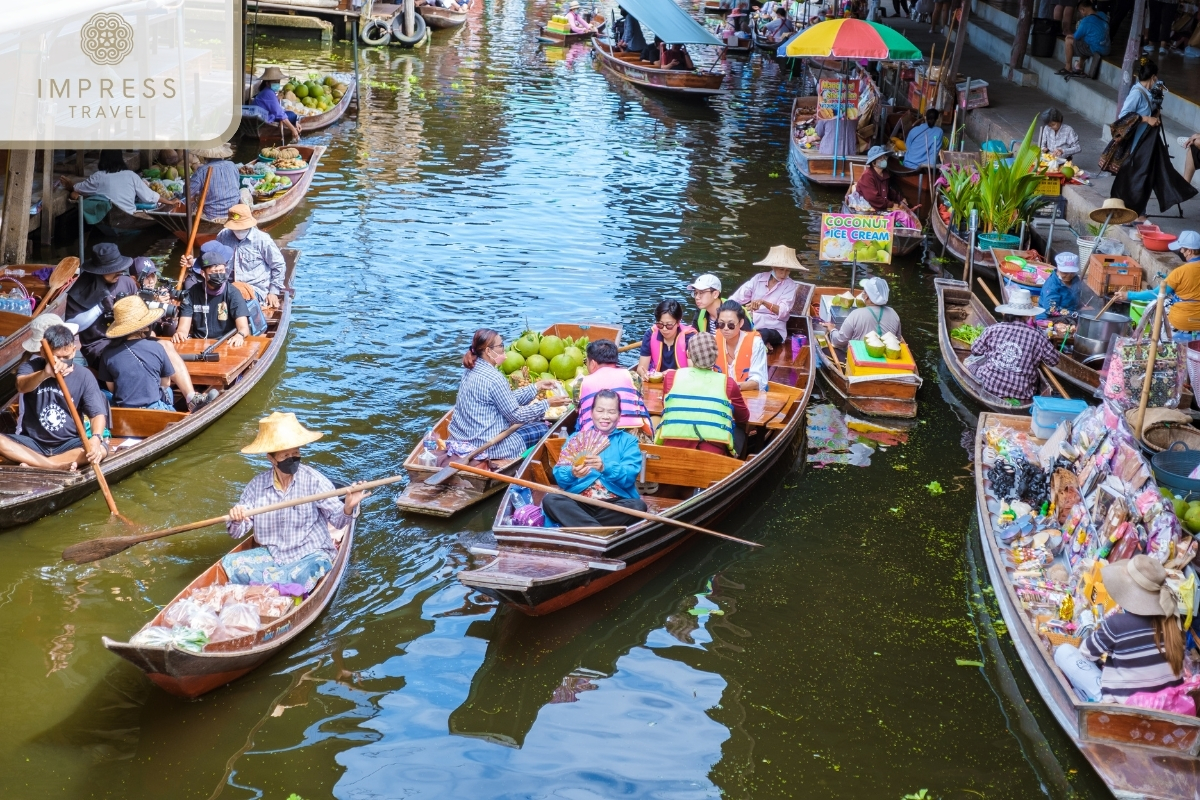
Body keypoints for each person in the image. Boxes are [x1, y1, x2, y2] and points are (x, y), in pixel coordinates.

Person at [225, 412, 368, 593]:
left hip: (309, 553)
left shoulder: (313, 480)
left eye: (296, 453)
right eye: (285, 455)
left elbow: (339, 521)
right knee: (231, 563)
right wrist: (237, 517)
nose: (292, 458)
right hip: (274, 555)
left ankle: (272, 586)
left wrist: (348, 507)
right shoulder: (256, 487)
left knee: (311, 569)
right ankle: (281, 586)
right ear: (271, 458)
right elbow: (237, 532)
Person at [447, 328, 569, 460]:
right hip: (487, 446)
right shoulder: (495, 378)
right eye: (501, 346)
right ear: (488, 351)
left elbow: (505, 400)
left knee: (533, 420)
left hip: (462, 439)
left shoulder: (471, 368)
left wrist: (536, 387)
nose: (504, 349)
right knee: (543, 428)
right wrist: (548, 403)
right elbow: (515, 416)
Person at [0, 322, 108, 471]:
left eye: (67, 356)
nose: (63, 362)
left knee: (101, 450)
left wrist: (96, 438)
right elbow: (21, 386)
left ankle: (39, 464)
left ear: (74, 350)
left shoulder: (84, 375)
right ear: (44, 352)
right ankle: (52, 465)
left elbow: (97, 414)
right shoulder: (31, 367)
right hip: (33, 443)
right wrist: (45, 373)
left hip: (69, 444)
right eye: (57, 357)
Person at [1078, 555, 1185, 703]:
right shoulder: (1175, 625)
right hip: (1165, 704)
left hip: (1126, 707)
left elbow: (1086, 653)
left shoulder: (1117, 624)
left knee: (1064, 652)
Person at [1107, 59, 1197, 223]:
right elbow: (1123, 117)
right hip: (1136, 144)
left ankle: (1139, 212)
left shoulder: (1147, 92)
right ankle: (1133, 211)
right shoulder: (1136, 93)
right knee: (1138, 177)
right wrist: (1147, 118)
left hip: (1146, 143)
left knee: (1147, 176)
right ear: (1153, 77)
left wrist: (1154, 115)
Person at [544, 390, 648, 529]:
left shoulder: (628, 441)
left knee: (638, 506)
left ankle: (583, 528)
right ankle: (599, 530)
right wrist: (572, 473)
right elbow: (559, 475)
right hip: (580, 503)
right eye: (600, 410)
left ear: (619, 416)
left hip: (613, 504)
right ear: (592, 413)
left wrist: (605, 467)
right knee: (551, 500)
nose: (605, 416)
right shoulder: (576, 438)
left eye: (611, 412)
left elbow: (629, 476)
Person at [100, 295, 219, 412]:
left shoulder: (108, 353)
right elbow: (165, 383)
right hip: (155, 409)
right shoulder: (158, 347)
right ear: (144, 327)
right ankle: (190, 402)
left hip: (124, 411)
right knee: (168, 391)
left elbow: (112, 388)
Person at [657, 333, 749, 457]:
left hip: (672, 450)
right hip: (712, 454)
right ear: (716, 357)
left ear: (689, 354)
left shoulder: (671, 377)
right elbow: (743, 417)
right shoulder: (728, 383)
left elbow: (666, 405)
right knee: (741, 429)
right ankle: (737, 463)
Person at [180, 204, 285, 309]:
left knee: (234, 293)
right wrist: (193, 262)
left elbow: (279, 265)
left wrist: (273, 292)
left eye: (242, 228)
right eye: (235, 228)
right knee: (193, 283)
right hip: (224, 284)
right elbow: (214, 258)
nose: (238, 231)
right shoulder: (224, 235)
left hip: (253, 288)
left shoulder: (263, 240)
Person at [966, 287, 1059, 401]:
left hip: (989, 384)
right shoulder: (1038, 336)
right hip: (1022, 392)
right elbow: (1054, 361)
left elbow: (975, 350)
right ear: (1028, 315)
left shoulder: (993, 329)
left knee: (969, 362)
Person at [1116, 230, 1200, 341]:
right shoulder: (1179, 274)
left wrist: (1129, 295)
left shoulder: (1180, 272)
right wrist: (1168, 278)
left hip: (1182, 322)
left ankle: (1162, 343)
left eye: (1182, 248)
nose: (1180, 251)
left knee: (1161, 305)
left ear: (1189, 251)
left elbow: (1156, 294)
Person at [65, 242, 140, 368]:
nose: (119, 272)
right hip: (98, 344)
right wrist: (99, 307)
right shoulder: (80, 291)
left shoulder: (127, 282)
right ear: (98, 271)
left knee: (163, 348)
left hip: (127, 337)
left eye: (120, 267)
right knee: (128, 361)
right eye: (113, 269)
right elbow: (70, 327)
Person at [172, 244, 251, 347]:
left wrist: (239, 335)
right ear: (203, 273)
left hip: (226, 343)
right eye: (214, 272)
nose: (218, 275)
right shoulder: (192, 294)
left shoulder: (233, 293)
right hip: (198, 343)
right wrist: (180, 334)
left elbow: (244, 328)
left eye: (221, 271)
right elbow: (183, 328)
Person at [729, 245, 805, 351]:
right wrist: (737, 309)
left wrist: (764, 303)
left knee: (762, 334)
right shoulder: (758, 278)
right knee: (731, 327)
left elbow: (783, 311)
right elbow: (736, 298)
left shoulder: (790, 285)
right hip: (752, 323)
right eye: (781, 269)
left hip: (774, 328)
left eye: (788, 270)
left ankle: (753, 349)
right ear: (773, 267)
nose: (784, 273)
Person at [576, 339, 650, 433]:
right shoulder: (633, 376)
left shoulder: (581, 382)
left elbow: (577, 407)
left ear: (593, 363)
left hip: (595, 435)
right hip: (632, 432)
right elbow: (639, 396)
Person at [59, 149, 161, 216]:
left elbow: (78, 188)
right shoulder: (131, 175)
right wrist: (170, 202)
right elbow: (149, 197)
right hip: (130, 213)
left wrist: (70, 185)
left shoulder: (98, 177)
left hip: (107, 213)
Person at [828, 277, 902, 349]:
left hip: (860, 359)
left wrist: (832, 329)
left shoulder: (856, 314)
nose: (862, 293)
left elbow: (839, 342)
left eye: (864, 291)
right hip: (888, 359)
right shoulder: (893, 313)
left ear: (866, 296)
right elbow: (897, 340)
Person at [714, 300, 768, 392]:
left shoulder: (755, 343)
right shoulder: (713, 341)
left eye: (731, 325)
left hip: (749, 396)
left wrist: (734, 388)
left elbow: (759, 380)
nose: (725, 328)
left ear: (741, 323)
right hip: (720, 396)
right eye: (721, 324)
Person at [637, 299, 697, 378]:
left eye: (669, 325)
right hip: (657, 384)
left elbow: (693, 371)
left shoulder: (690, 338)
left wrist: (677, 373)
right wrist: (644, 374)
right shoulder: (650, 335)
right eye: (660, 325)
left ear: (678, 322)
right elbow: (641, 368)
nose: (664, 329)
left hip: (682, 383)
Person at [188, 144, 242, 220]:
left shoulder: (202, 170)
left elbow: (187, 192)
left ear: (205, 156)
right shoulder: (232, 165)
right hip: (233, 211)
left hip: (212, 215)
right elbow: (237, 185)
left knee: (194, 199)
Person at [1058, 0, 1109, 76]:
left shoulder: (1086, 21)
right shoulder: (1103, 15)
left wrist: (1068, 35)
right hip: (1106, 48)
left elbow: (1076, 37)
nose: (1081, 14)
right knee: (1086, 38)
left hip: (1095, 49)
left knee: (1068, 40)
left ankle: (1068, 67)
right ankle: (1079, 65)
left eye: (1080, 12)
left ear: (1083, 10)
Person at [253, 66, 301, 142]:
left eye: (278, 82)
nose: (277, 84)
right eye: (274, 82)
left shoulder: (266, 91)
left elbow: (276, 109)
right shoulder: (268, 93)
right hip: (265, 119)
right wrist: (293, 129)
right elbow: (280, 114)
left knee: (291, 115)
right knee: (292, 115)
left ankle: (296, 123)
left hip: (265, 115)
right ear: (267, 83)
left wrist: (296, 122)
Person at [856, 146, 905, 212]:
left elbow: (888, 191)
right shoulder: (867, 176)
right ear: (874, 163)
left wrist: (900, 199)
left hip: (882, 206)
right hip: (867, 208)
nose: (884, 160)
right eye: (881, 159)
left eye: (884, 157)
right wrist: (891, 205)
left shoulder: (885, 174)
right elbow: (873, 198)